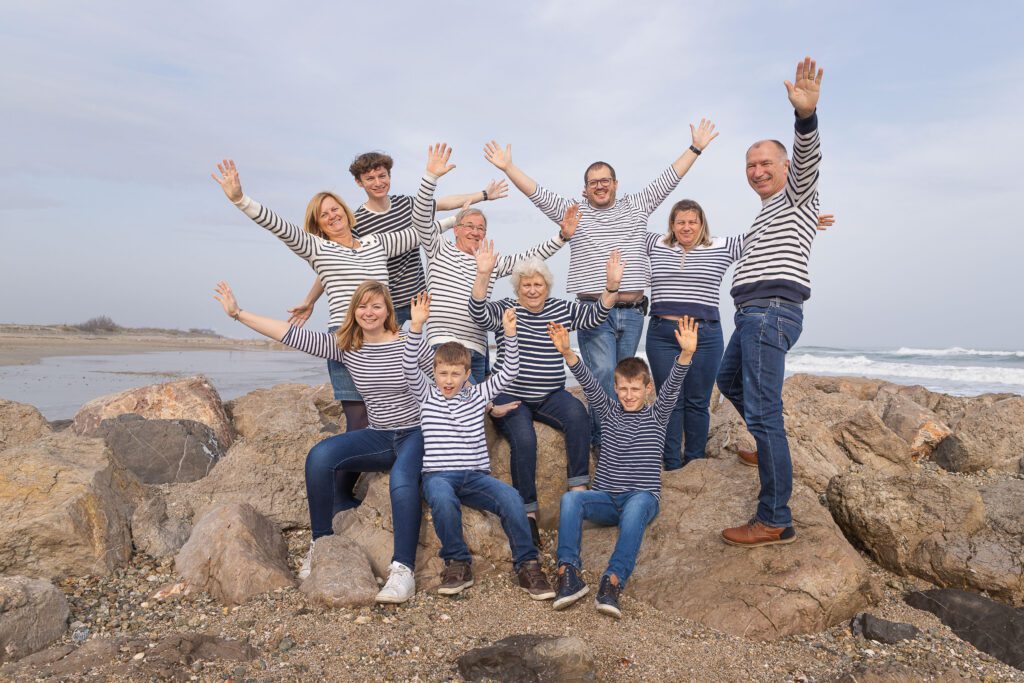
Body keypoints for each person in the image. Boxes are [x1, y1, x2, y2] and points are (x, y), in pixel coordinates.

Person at [484, 119, 718, 447]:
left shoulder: (637, 205)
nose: (600, 186)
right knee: (603, 377)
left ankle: (622, 436)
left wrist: (695, 148)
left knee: (626, 379)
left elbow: (670, 178)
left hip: (634, 311)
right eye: (593, 182)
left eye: (605, 180)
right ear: (585, 188)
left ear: (615, 183)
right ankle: (604, 442)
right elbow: (537, 193)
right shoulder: (575, 213)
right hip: (595, 312)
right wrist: (509, 167)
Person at [211, 280, 433, 604]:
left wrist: (484, 402)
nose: (368, 312)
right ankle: (321, 544)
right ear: (353, 311)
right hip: (381, 434)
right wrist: (238, 314)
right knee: (320, 456)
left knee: (401, 480)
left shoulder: (410, 343)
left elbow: (450, 378)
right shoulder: (347, 346)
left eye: (376, 306)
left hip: (417, 433)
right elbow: (290, 334)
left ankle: (403, 571)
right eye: (362, 306)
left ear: (388, 311)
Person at [211, 160, 419, 432]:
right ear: (318, 223)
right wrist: (241, 200)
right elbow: (279, 226)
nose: (332, 215)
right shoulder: (317, 247)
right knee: (358, 419)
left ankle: (393, 465)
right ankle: (356, 467)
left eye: (335, 209)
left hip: (384, 333)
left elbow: (419, 234)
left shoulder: (375, 243)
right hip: (346, 337)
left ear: (345, 211)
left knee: (397, 408)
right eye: (324, 214)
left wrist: (462, 220)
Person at [717, 56, 825, 548]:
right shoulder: (767, 213)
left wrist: (806, 117)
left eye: (766, 163)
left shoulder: (797, 193)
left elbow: (807, 163)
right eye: (751, 165)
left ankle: (775, 517)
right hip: (751, 315)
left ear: (784, 167)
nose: (757, 170)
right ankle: (767, 447)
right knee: (727, 381)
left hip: (770, 312)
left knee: (765, 413)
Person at [646, 204, 835, 470]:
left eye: (692, 222)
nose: (686, 227)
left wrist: (801, 220)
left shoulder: (720, 246)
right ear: (671, 224)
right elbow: (625, 230)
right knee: (670, 400)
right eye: (680, 222)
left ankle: (695, 462)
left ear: (702, 224)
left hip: (705, 334)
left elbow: (762, 236)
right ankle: (671, 463)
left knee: (698, 402)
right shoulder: (656, 244)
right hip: (663, 335)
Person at [468, 231, 622, 545]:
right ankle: (528, 514)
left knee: (578, 415)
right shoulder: (507, 309)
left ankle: (579, 492)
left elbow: (594, 316)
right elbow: (478, 313)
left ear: (547, 287)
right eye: (527, 284)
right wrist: (483, 274)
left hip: (551, 394)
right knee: (524, 440)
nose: (533, 289)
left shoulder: (560, 310)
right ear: (518, 287)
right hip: (511, 395)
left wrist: (611, 287)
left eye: (538, 284)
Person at [402, 292, 555, 600]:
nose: (448, 379)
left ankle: (527, 565)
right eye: (443, 373)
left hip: (475, 476)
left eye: (455, 373)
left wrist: (510, 335)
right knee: (443, 501)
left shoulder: (478, 396)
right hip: (438, 476)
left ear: (467, 374)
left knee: (512, 498)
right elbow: (408, 365)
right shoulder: (426, 395)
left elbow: (509, 371)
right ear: (434, 372)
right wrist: (416, 326)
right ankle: (457, 562)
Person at [546, 317, 697, 618]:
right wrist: (567, 353)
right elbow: (587, 381)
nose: (629, 395)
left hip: (640, 498)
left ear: (647, 389)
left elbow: (673, 384)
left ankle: (612, 581)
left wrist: (686, 355)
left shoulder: (657, 415)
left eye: (635, 389)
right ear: (615, 388)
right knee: (571, 498)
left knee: (638, 503)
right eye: (623, 388)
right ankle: (569, 573)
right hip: (605, 499)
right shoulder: (608, 410)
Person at [287, 151, 509, 327]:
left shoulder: (406, 204)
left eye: (382, 176)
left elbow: (444, 203)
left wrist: (484, 195)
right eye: (370, 178)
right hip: (387, 303)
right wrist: (309, 301)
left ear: (389, 176)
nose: (378, 182)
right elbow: (332, 265)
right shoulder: (356, 222)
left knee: (432, 359)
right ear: (359, 182)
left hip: (420, 298)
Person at [413, 144, 573, 383]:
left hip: (477, 348)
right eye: (469, 226)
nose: (476, 232)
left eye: (481, 229)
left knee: (476, 412)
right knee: (460, 403)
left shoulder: (489, 261)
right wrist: (431, 177)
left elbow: (531, 256)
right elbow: (421, 216)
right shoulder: (438, 248)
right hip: (443, 344)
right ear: (456, 230)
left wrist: (562, 237)